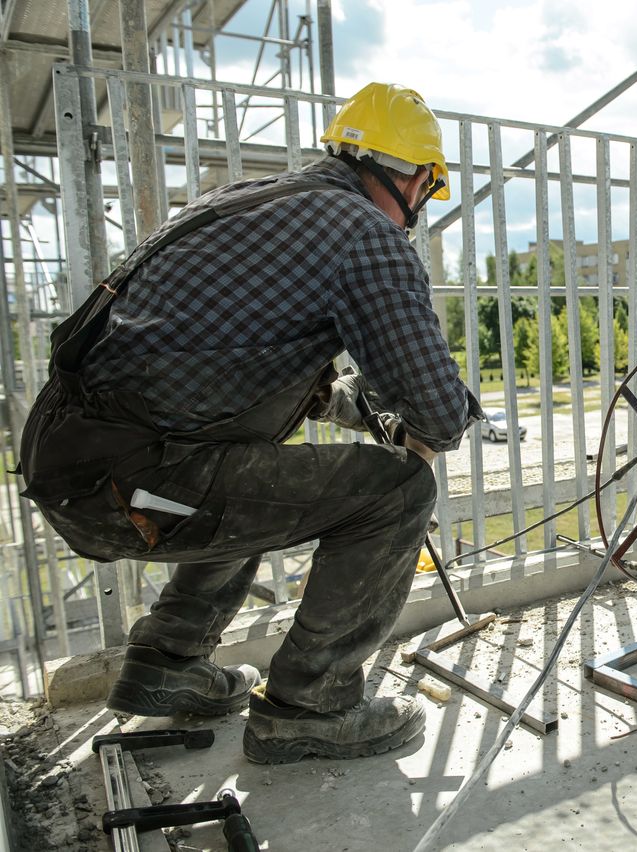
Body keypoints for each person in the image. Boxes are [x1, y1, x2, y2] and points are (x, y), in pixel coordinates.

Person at [19, 82, 481, 762]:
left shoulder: (247, 202)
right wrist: (419, 421)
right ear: (412, 175)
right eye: (425, 190)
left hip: (78, 456)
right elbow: (438, 413)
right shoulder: (366, 237)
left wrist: (349, 402)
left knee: (248, 474)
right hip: (126, 485)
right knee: (398, 491)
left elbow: (224, 372)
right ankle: (311, 706)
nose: (416, 211)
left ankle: (167, 664)